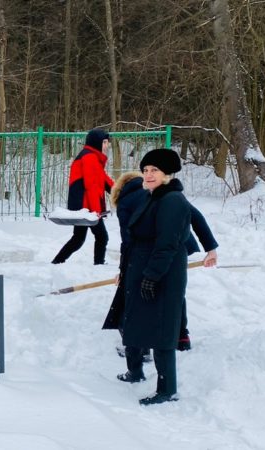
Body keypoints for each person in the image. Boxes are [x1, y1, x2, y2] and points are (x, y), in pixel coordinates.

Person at [103, 171, 218, 353]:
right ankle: (181, 336)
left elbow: (128, 240)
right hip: (178, 246)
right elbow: (195, 216)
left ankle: (141, 345)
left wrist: (124, 270)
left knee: (141, 293)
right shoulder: (162, 192)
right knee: (172, 291)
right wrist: (211, 248)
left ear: (118, 190)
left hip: (151, 250)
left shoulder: (125, 202)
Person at [118, 148, 191, 405]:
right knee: (140, 322)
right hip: (144, 270)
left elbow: (167, 244)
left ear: (167, 173)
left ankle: (167, 389)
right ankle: (135, 372)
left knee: (162, 331)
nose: (148, 175)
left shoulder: (172, 200)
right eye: (146, 170)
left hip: (163, 275)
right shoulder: (154, 196)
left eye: (154, 170)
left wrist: (152, 275)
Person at [52, 128, 115, 265]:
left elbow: (103, 180)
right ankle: (99, 264)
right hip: (86, 207)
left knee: (78, 238)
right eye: (104, 142)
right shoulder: (89, 157)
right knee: (102, 236)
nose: (107, 145)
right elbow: (91, 186)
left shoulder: (92, 157)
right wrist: (96, 212)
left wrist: (120, 190)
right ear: (96, 143)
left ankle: (57, 262)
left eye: (107, 142)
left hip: (85, 206)